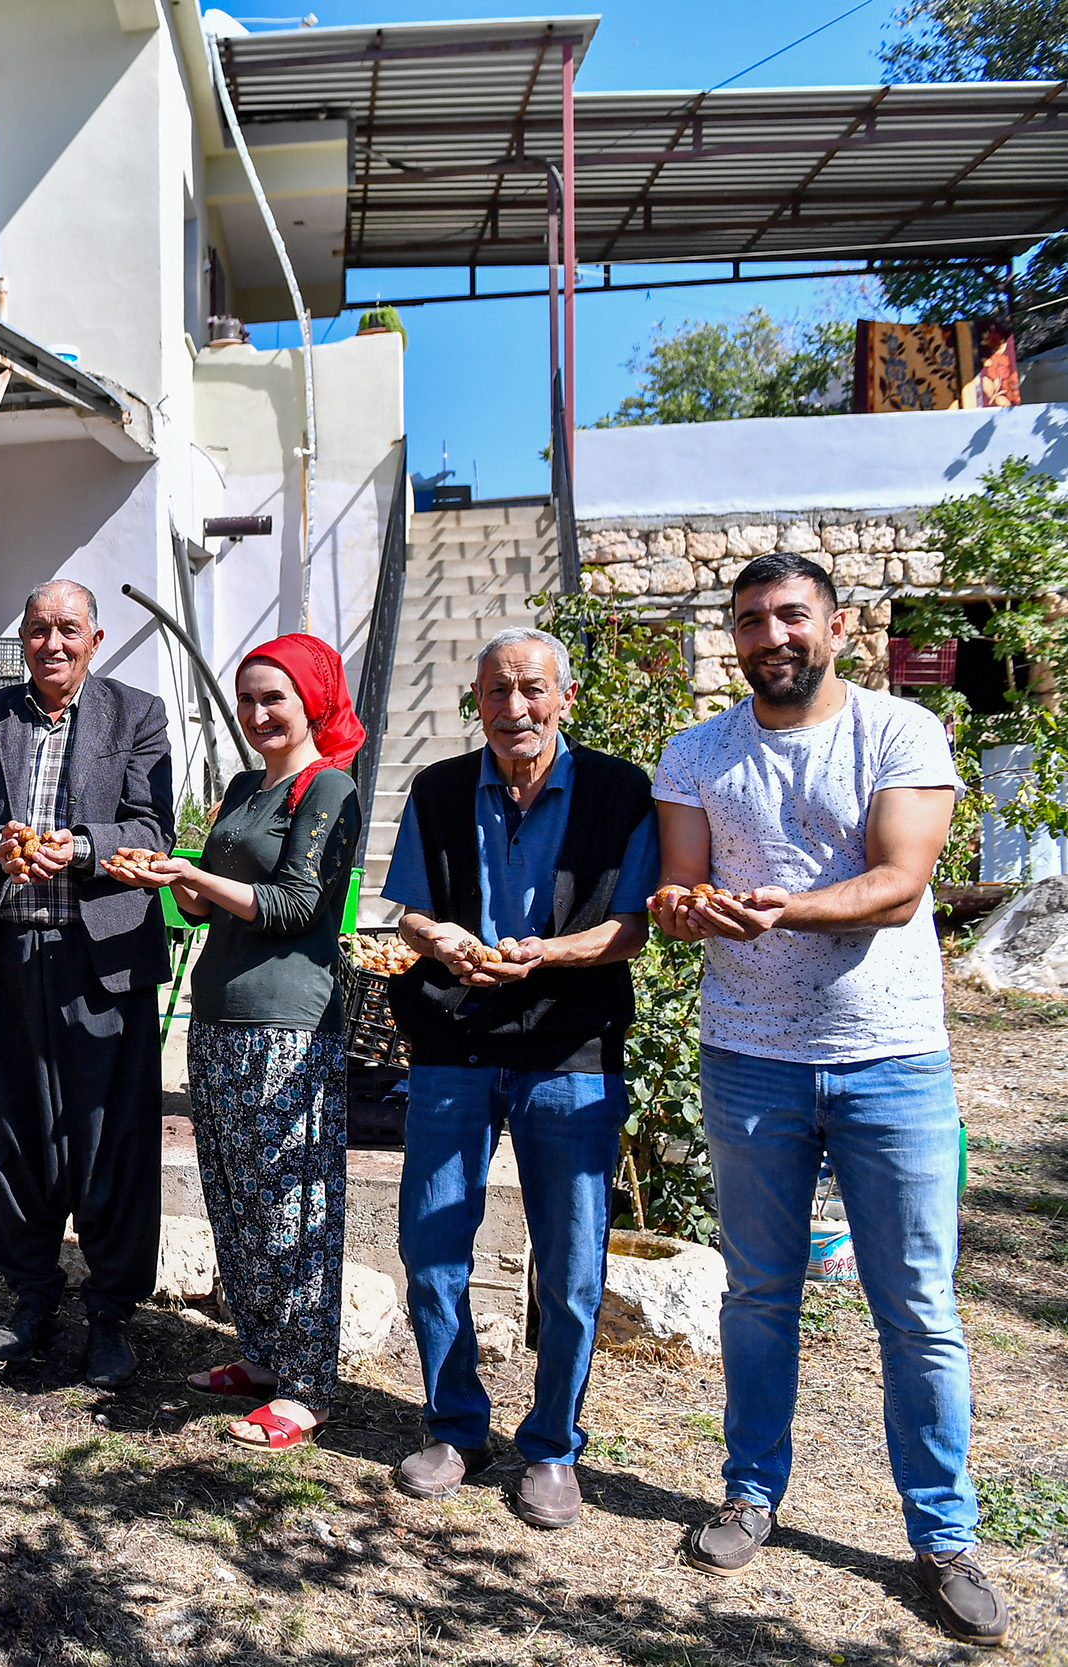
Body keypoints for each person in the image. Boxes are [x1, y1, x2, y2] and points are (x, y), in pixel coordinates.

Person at [652, 553, 1005, 1646]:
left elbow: (900, 883)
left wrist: (785, 908)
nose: (771, 635)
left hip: (889, 1057)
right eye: (750, 618)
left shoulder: (899, 732)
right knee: (758, 1293)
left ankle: (942, 1534)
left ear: (836, 625)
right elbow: (677, 884)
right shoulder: (696, 750)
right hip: (748, 1055)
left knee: (918, 1307)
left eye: (790, 614)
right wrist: (682, 906)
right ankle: (751, 1490)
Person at [380, 627, 659, 1528]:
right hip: (455, 1040)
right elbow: (413, 911)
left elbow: (630, 929)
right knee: (430, 1245)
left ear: (564, 698)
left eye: (532, 690)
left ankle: (551, 1444)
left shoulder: (621, 791)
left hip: (569, 1046)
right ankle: (457, 1423)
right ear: (477, 699)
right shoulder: (439, 788)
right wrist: (443, 938)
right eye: (497, 692)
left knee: (572, 1264)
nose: (515, 709)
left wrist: (545, 955)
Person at [0, 580, 172, 1389]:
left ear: (95, 639)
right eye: (37, 630)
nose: (52, 643)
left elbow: (150, 829)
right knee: (6, 1134)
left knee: (110, 1137)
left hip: (98, 959)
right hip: (0, 958)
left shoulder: (135, 714)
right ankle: (32, 1292)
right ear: (22, 640)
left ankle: (110, 1311)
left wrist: (75, 849)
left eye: (68, 629)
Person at [131, 633, 364, 1441]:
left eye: (276, 698)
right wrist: (176, 883)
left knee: (292, 1202)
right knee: (234, 1193)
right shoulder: (241, 785)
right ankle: (263, 1353)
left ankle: (307, 1384)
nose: (259, 712)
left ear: (312, 703)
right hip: (220, 1015)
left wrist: (196, 875)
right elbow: (210, 903)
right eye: (248, 697)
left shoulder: (328, 788)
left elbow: (296, 905)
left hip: (288, 1023)